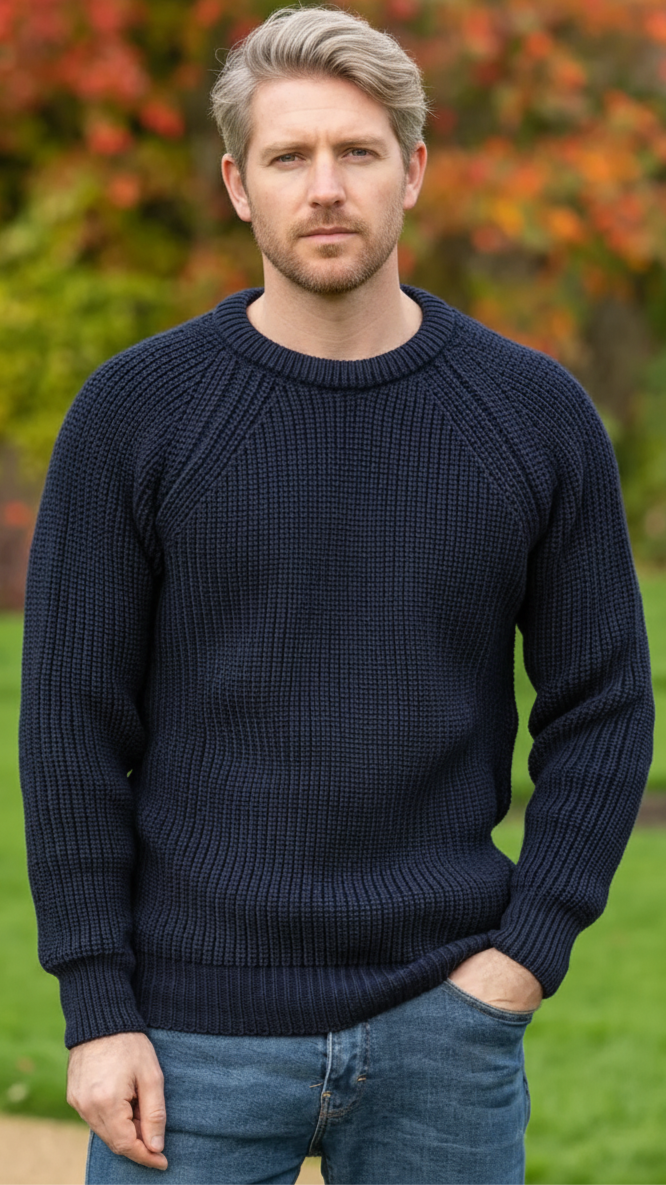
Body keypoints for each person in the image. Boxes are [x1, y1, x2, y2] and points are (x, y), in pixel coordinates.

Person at [19, 6, 654, 1184]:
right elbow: (70, 730)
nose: (324, 187)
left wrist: (525, 956)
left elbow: (605, 705)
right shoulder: (135, 416)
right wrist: (96, 1005)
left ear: (412, 171)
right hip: (191, 1035)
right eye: (288, 156)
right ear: (236, 184)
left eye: (358, 152)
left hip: (445, 1029)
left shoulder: (533, 417)